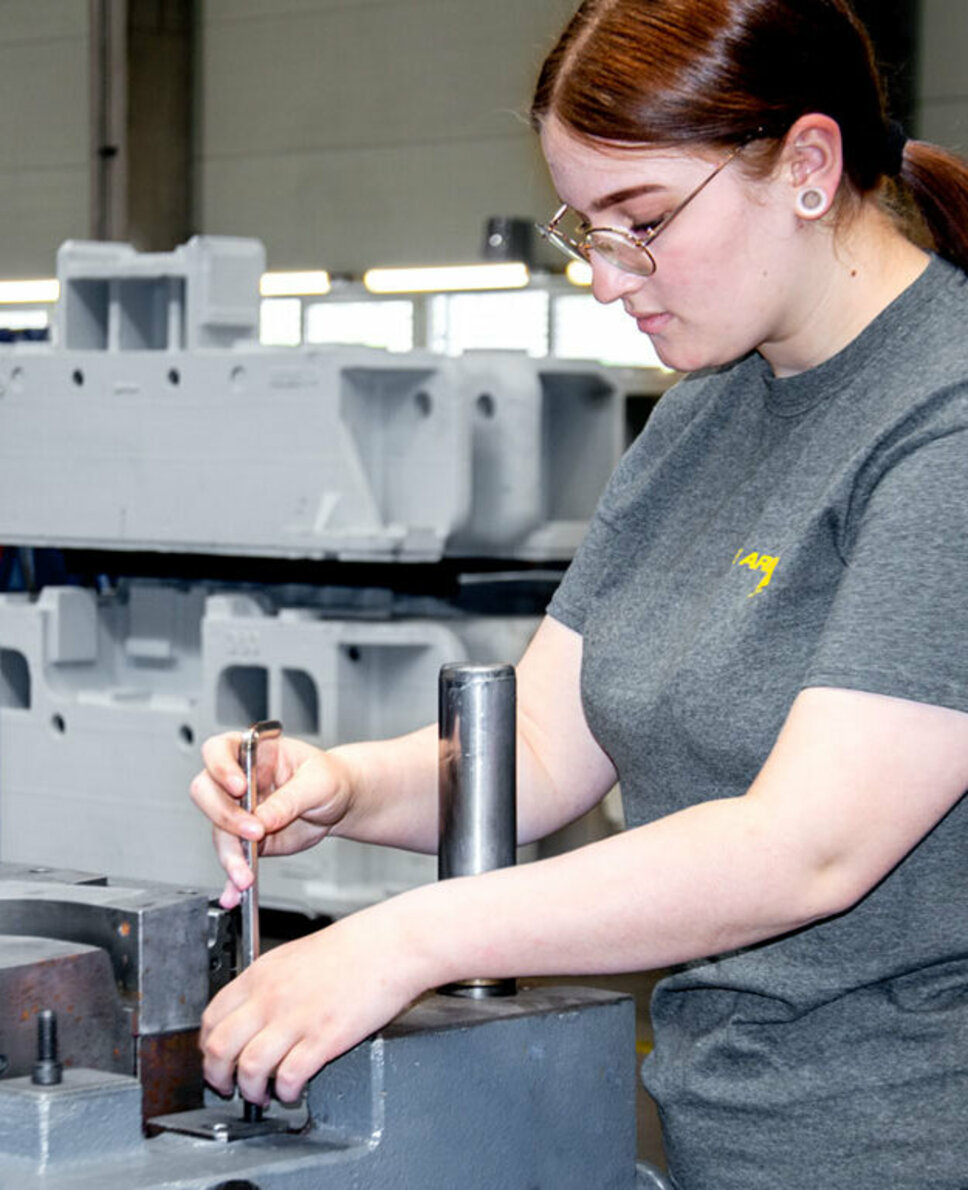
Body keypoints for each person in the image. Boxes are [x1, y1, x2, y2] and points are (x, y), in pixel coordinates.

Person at [189, 1, 968, 1186]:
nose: (605, 279)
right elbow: (547, 745)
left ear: (808, 166)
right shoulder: (704, 413)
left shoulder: (940, 425)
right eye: (585, 229)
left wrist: (403, 937)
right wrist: (344, 785)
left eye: (641, 223)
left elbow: (806, 846)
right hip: (726, 1135)